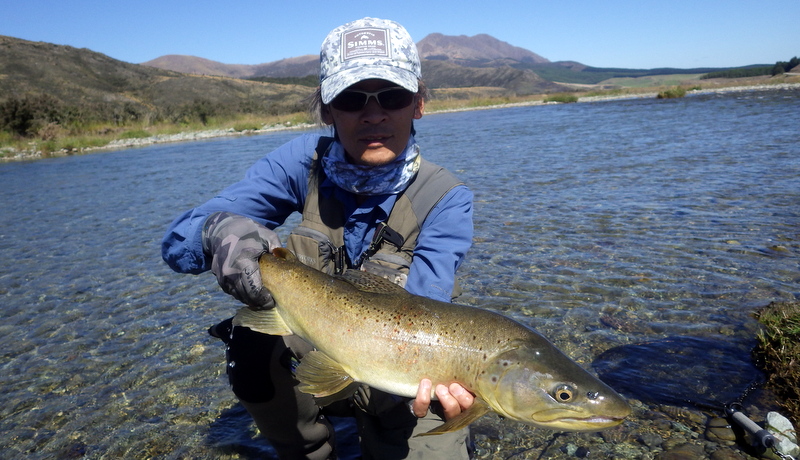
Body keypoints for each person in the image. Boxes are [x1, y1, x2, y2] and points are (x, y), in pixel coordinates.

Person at [162, 17, 475, 460]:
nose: (373, 114)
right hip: (318, 350)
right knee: (249, 343)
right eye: (351, 99)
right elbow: (178, 240)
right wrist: (220, 233)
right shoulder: (300, 163)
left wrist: (451, 377)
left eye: (393, 96)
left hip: (399, 370)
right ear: (328, 110)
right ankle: (308, 451)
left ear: (418, 104)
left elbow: (427, 308)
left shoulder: (446, 198)